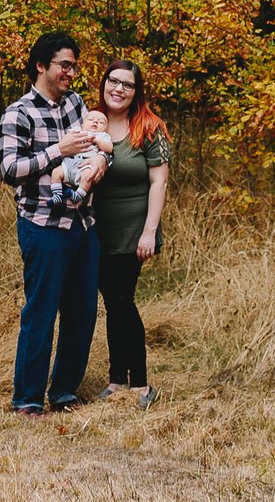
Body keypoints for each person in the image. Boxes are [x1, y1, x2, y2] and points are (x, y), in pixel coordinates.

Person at [0, 29, 103, 414]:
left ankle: (63, 392)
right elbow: (10, 169)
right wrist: (58, 150)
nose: (71, 73)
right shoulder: (19, 113)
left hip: (83, 225)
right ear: (42, 65)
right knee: (41, 311)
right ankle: (27, 399)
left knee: (82, 312)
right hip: (42, 225)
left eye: (74, 66)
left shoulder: (76, 104)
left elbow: (94, 144)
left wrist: (98, 163)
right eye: (64, 65)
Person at [91, 59, 171, 406]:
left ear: (137, 92)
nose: (118, 89)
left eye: (127, 84)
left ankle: (139, 383)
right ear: (104, 83)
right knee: (113, 302)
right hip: (96, 231)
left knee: (122, 300)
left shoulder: (150, 128)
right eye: (113, 81)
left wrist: (149, 232)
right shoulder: (92, 122)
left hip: (133, 231)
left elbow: (159, 181)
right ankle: (115, 381)